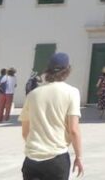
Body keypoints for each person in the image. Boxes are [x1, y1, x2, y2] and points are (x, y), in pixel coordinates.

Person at [20, 51, 84, 179]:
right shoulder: (72, 92)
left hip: (31, 159)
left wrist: (37, 147)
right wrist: (79, 157)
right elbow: (73, 130)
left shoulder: (33, 94)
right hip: (56, 159)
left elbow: (25, 131)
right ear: (67, 71)